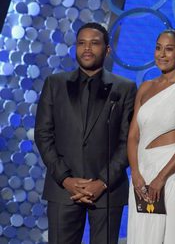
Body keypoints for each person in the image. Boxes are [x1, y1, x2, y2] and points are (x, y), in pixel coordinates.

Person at [34, 22, 137, 244]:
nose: (87, 49)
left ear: (107, 49)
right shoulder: (54, 84)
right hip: (63, 190)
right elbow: (43, 134)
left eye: (94, 43)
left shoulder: (125, 87)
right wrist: (66, 179)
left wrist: (102, 181)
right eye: (81, 43)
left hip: (107, 192)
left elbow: (128, 140)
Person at [127, 29, 175, 244]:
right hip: (143, 174)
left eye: (169, 49)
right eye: (158, 47)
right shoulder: (144, 88)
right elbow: (133, 135)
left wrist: (161, 178)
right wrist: (135, 173)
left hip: (174, 173)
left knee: (174, 238)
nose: (162, 54)